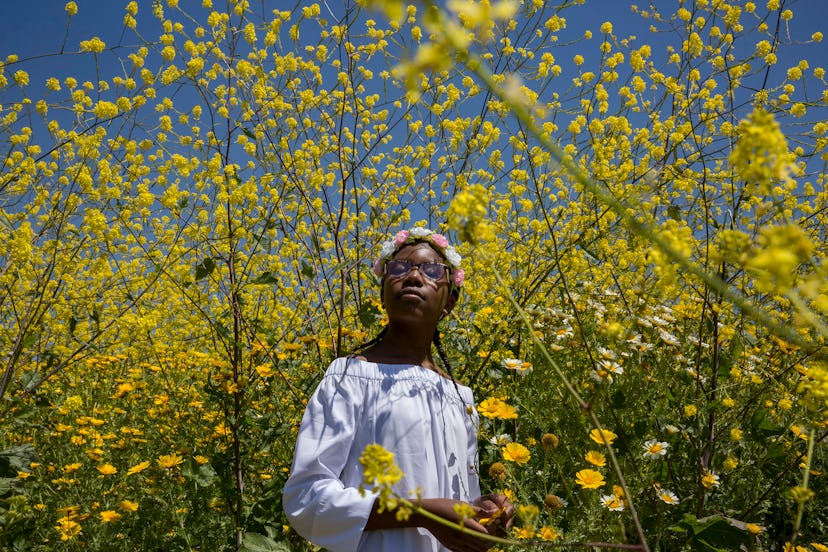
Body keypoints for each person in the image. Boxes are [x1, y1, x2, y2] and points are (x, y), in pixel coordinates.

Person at [283, 225, 514, 552]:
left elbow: (458, 501)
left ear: (449, 302)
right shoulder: (349, 378)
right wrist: (420, 513)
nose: (414, 277)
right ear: (382, 294)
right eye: (399, 268)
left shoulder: (460, 397)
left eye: (432, 271)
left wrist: (484, 511)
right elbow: (308, 498)